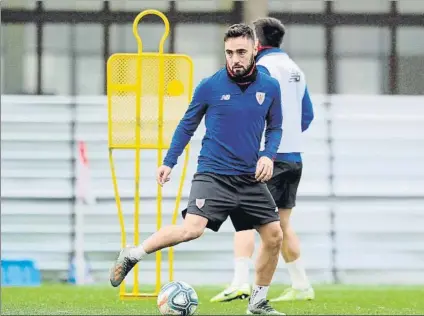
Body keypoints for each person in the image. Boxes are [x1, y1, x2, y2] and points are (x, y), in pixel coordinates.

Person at [109, 23, 286, 315]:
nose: (235, 59)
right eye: (229, 53)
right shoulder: (210, 86)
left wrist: (268, 155)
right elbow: (186, 125)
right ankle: (133, 254)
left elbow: (276, 126)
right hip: (213, 174)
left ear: (255, 49)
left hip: (250, 178)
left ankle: (258, 302)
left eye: (241, 52)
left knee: (274, 236)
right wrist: (169, 161)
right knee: (192, 230)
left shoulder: (269, 86)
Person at [210, 17, 315, 303]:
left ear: (257, 44)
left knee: (243, 216)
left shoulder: (263, 69)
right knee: (281, 224)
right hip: (294, 157)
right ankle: (301, 284)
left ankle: (240, 282)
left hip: (267, 158)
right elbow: (307, 115)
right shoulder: (295, 69)